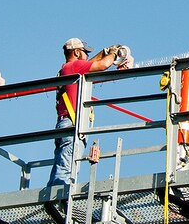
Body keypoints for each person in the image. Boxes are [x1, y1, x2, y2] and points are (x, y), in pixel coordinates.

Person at [46, 38, 128, 188]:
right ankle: (59, 196)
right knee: (67, 168)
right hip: (72, 125)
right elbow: (103, 65)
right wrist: (113, 54)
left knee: (61, 164)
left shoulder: (68, 69)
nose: (87, 56)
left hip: (65, 124)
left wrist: (104, 52)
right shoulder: (74, 66)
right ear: (77, 52)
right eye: (85, 53)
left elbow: (89, 64)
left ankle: (53, 193)